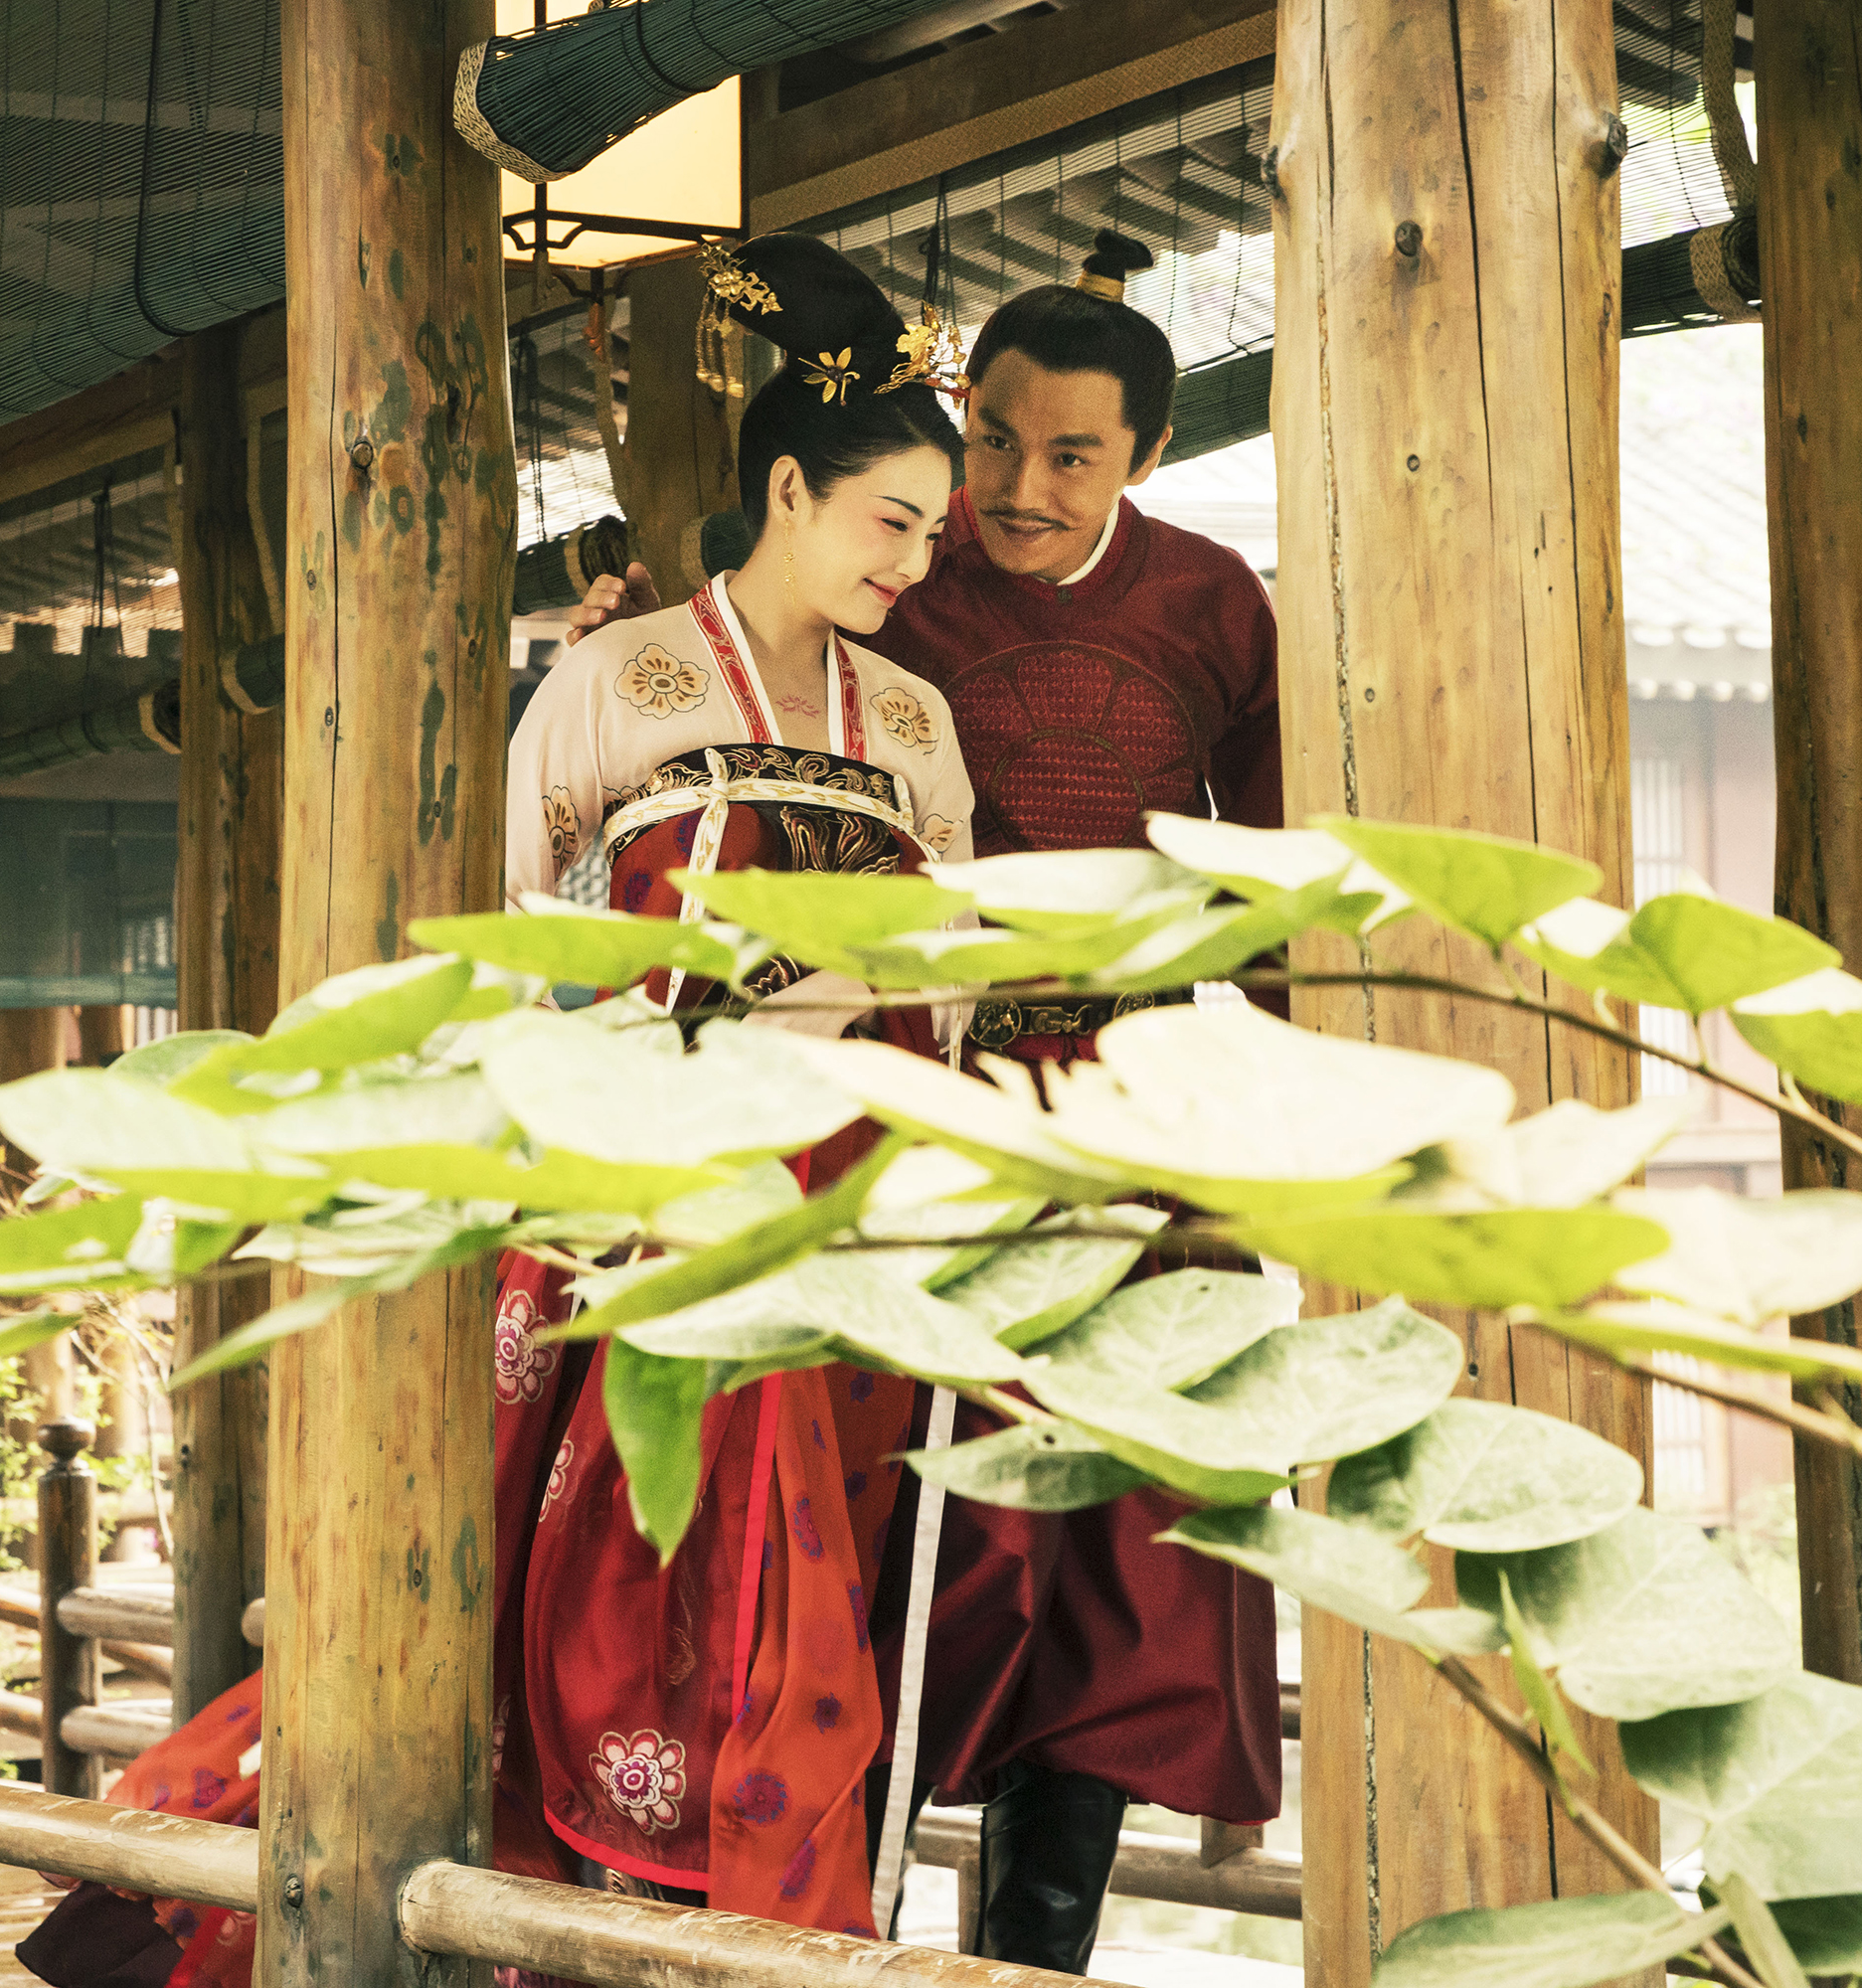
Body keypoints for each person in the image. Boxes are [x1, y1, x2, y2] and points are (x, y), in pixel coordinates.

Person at [14, 232, 980, 1988]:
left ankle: (767, 1926)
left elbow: (955, 969)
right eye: (891, 520)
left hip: (854, 1206)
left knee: (812, 1596)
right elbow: (520, 940)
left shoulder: (915, 722)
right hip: (641, 1193)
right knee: (580, 1589)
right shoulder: (618, 684)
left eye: (931, 531)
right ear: (787, 486)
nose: (916, 563)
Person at [566, 228, 1286, 1974]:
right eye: (994, 442)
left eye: (1073, 457)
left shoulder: (1215, 606)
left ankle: (1038, 1953)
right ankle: (834, 1921)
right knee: (882, 1522)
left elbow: (1274, 887)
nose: (1015, 491)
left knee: (1125, 1559)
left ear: (1149, 461)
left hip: (1134, 1111)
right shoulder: (889, 572)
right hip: (904, 1107)